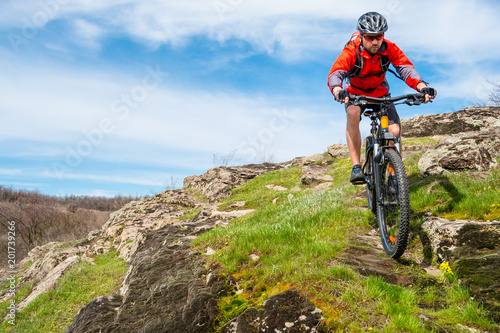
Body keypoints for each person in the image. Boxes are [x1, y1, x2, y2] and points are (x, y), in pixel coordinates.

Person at [327, 12, 436, 184]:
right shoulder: (351, 51)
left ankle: (394, 175)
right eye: (370, 38)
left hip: (380, 93)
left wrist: (422, 87)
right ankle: (356, 166)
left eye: (379, 36)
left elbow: (405, 68)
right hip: (356, 93)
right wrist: (337, 89)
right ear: (362, 36)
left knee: (394, 131)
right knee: (352, 114)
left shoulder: (389, 48)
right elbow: (336, 73)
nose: (375, 42)